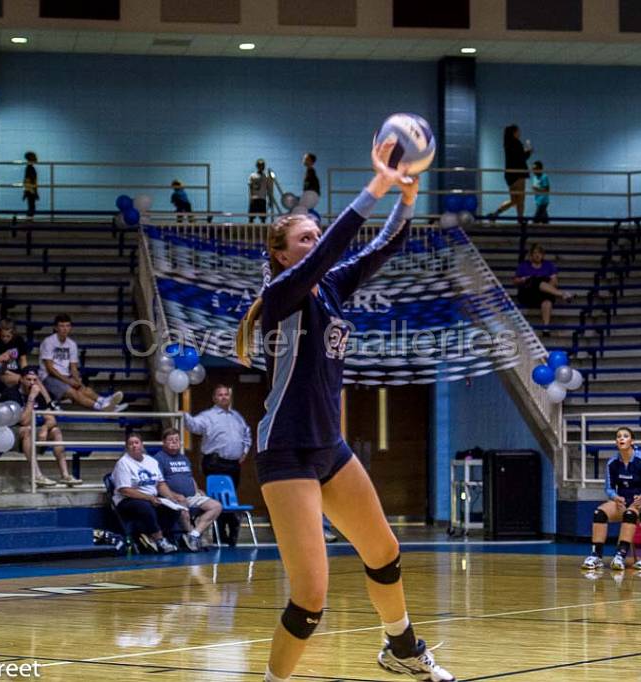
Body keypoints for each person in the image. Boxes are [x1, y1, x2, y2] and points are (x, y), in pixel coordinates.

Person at [235, 138, 453, 682]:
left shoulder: (330, 288)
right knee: (310, 600)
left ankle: (401, 648)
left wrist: (407, 195)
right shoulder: (282, 292)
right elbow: (338, 245)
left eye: (316, 234)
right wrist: (375, 184)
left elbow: (382, 246)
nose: (315, 242)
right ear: (281, 254)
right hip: (285, 451)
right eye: (303, 237)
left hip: (328, 446)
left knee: (385, 551)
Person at [581, 427, 641, 572]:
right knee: (599, 513)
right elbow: (609, 488)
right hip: (622, 501)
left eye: (625, 436)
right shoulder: (612, 463)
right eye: (618, 436)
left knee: (629, 515)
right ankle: (596, 556)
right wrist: (615, 497)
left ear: (632, 441)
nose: (621, 439)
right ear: (616, 442)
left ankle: (620, 555)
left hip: (640, 502)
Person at [183, 384, 251, 546]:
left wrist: (245, 451)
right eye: (220, 395)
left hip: (234, 464)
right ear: (214, 398)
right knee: (217, 498)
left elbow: (247, 434)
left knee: (231, 497)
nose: (223, 397)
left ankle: (232, 532)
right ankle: (221, 535)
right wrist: (183, 415)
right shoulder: (208, 416)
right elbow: (194, 426)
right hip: (215, 462)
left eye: (226, 395)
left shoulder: (237, 416)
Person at [1, 367, 80, 487]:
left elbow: (51, 419)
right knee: (27, 430)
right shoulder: (11, 393)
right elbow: (24, 421)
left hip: (32, 430)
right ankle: (37, 475)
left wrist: (44, 428)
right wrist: (31, 398)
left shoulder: (39, 394)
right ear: (21, 379)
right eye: (28, 379)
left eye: (35, 380)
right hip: (11, 433)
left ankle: (65, 475)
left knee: (55, 431)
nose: (32, 383)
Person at [153, 428, 223, 551]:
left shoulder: (184, 458)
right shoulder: (159, 458)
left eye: (177, 440)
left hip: (191, 496)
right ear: (163, 442)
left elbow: (189, 477)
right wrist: (172, 495)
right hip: (171, 498)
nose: (174, 442)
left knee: (216, 506)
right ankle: (193, 535)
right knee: (182, 503)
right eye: (171, 440)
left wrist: (197, 490)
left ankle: (194, 535)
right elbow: (159, 483)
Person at [38, 314, 126, 412]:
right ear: (55, 327)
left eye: (67, 326)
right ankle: (101, 407)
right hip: (48, 377)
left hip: (65, 376)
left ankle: (105, 401)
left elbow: (73, 368)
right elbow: (50, 369)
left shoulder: (72, 344)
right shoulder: (49, 342)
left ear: (71, 327)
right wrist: (69, 381)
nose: (65, 329)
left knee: (83, 389)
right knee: (73, 392)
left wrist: (77, 381)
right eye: (62, 326)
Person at [110, 432, 179, 554]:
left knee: (173, 508)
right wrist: (149, 498)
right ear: (127, 447)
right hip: (127, 500)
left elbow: (160, 484)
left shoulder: (151, 461)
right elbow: (125, 489)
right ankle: (159, 539)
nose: (134, 446)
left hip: (150, 497)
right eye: (131, 444)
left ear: (142, 445)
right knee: (145, 506)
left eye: (136, 443)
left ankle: (153, 536)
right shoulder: (123, 463)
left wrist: (171, 497)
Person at [513, 243, 574, 330]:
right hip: (528, 294)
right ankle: (563, 294)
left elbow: (555, 281)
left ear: (543, 255)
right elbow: (515, 281)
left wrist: (546, 287)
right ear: (531, 255)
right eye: (535, 253)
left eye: (539, 253)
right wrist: (523, 279)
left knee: (547, 302)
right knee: (535, 280)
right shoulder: (523, 265)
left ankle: (546, 327)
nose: (537, 255)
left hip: (543, 293)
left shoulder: (548, 265)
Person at [489, 124, 532, 224]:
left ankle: (496, 213)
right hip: (519, 174)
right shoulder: (517, 143)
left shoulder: (507, 143)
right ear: (514, 132)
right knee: (520, 200)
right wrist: (528, 152)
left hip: (509, 175)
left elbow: (515, 156)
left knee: (514, 200)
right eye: (518, 131)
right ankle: (520, 220)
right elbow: (521, 158)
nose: (519, 133)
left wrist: (523, 152)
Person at [0, 318, 30, 387]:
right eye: (3, 336)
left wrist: (26, 373)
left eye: (8, 336)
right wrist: (19, 377)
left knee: (34, 380)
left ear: (13, 334)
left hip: (16, 370)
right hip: (1, 372)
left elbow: (23, 360)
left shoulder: (19, 340)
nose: (5, 338)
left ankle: (47, 398)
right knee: (21, 380)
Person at [249, 158, 270, 223]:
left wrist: (270, 200)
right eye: (260, 165)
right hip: (254, 198)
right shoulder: (252, 176)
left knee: (263, 217)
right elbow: (250, 188)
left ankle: (264, 231)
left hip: (262, 198)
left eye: (263, 165)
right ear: (257, 166)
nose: (262, 167)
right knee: (251, 217)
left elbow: (268, 189)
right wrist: (250, 198)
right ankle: (250, 230)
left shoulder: (266, 176)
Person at [22, 151, 38, 218]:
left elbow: (27, 180)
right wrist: (33, 191)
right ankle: (29, 222)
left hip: (30, 189)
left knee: (31, 207)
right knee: (31, 207)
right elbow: (28, 180)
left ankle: (29, 221)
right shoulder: (30, 168)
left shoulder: (29, 168)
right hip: (31, 190)